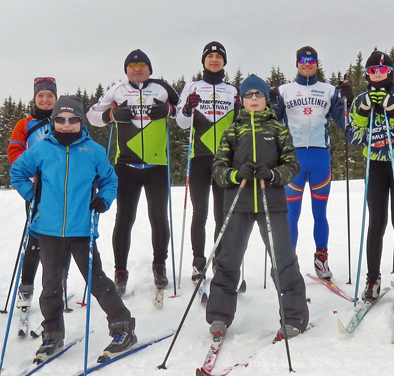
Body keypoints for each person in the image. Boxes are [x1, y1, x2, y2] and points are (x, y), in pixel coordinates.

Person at [10, 96, 137, 360]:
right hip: (48, 229)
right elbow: (17, 173)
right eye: (60, 120)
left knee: (97, 281)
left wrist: (104, 199)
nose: (66, 125)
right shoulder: (41, 149)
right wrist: (33, 195)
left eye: (73, 120)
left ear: (81, 122)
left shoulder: (93, 151)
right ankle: (52, 334)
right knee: (51, 284)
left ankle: (123, 328)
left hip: (82, 229)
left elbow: (110, 180)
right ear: (54, 121)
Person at [207, 75, 309, 338]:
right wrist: (235, 174)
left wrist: (273, 174)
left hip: (271, 203)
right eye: (249, 95)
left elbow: (292, 166)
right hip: (238, 203)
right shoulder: (233, 130)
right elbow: (218, 168)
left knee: (283, 260)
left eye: (259, 95)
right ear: (242, 101)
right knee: (228, 259)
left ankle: (294, 315)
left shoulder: (278, 129)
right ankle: (219, 315)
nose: (254, 99)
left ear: (266, 99)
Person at [86, 50, 179, 296]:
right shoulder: (116, 90)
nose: (137, 69)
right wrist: (111, 115)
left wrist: (170, 111)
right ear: (126, 70)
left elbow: (188, 115)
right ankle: (120, 271)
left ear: (149, 69)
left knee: (159, 219)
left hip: (157, 166)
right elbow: (91, 116)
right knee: (124, 219)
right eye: (132, 65)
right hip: (126, 165)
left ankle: (160, 266)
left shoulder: (163, 89)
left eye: (142, 65)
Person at [346, 51, 394, 307]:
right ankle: (372, 278)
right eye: (372, 72)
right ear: (367, 74)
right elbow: (352, 137)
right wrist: (361, 115)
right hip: (375, 164)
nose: (377, 76)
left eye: (382, 71)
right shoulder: (360, 100)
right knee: (376, 222)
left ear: (390, 73)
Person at [273, 46, 348, 280]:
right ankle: (288, 262)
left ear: (317, 63)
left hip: (319, 158)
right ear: (297, 64)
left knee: (320, 213)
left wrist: (348, 101)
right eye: (303, 61)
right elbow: (272, 120)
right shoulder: (284, 91)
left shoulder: (328, 90)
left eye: (312, 60)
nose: (307, 64)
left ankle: (321, 258)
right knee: (291, 214)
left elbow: (345, 123)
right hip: (293, 158)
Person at [174, 42, 240, 281]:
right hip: (200, 158)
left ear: (224, 62)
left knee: (222, 215)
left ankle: (219, 261)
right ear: (203, 61)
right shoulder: (192, 87)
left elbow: (240, 123)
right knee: (199, 213)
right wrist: (188, 109)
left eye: (218, 56)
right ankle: (198, 262)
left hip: (225, 160)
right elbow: (181, 123)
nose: (214, 60)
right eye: (210, 56)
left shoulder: (232, 90)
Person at [7, 78, 57, 305]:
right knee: (34, 237)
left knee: (60, 238)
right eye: (41, 96)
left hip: (60, 186)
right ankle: (26, 283)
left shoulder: (64, 120)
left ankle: (58, 284)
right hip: (37, 187)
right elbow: (14, 151)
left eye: (49, 96)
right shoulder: (25, 124)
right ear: (35, 98)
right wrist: (30, 167)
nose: (45, 100)